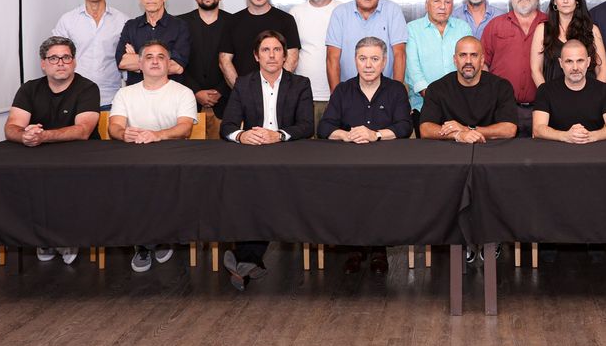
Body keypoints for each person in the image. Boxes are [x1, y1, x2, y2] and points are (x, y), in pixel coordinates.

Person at [218, 30, 314, 290]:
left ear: (285, 56)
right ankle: (249, 262)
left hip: (287, 155)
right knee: (250, 193)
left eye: (277, 50)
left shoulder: (300, 84)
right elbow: (227, 126)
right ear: (256, 56)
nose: (271, 55)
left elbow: (307, 126)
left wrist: (278, 135)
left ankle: (245, 259)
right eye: (265, 50)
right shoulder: (243, 84)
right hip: (253, 155)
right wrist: (242, 135)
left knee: (265, 194)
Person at [318, 37, 413, 274]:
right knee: (348, 194)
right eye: (362, 59)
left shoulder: (396, 90)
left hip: (386, 164)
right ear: (355, 61)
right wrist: (347, 135)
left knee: (383, 195)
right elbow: (325, 127)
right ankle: (355, 249)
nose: (368, 65)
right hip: (349, 164)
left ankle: (380, 250)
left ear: (384, 62)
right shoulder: (343, 90)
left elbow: (404, 126)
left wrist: (375, 135)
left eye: (374, 59)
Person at [420, 36, 518, 264]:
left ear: (482, 60)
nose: (468, 61)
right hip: (452, 156)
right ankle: (459, 238)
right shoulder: (438, 88)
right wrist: (457, 135)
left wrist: (468, 129)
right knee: (448, 181)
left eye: (474, 55)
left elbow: (509, 129)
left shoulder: (500, 86)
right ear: (454, 59)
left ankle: (492, 237)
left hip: (491, 154)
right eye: (463, 55)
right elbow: (425, 128)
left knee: (494, 182)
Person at [4, 36, 101, 265]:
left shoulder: (88, 88)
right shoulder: (29, 88)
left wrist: (43, 136)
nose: (60, 63)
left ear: (74, 61)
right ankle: (44, 238)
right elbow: (11, 127)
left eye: (66, 57)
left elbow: (83, 130)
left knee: (66, 184)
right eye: (54, 58)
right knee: (20, 183)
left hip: (81, 157)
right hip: (39, 157)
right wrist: (25, 136)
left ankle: (67, 237)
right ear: (43, 63)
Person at [108, 40, 198, 273]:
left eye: (161, 57)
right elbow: (114, 127)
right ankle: (146, 243)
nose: (155, 61)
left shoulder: (183, 92)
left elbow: (184, 128)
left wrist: (157, 135)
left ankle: (159, 238)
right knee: (130, 185)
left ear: (169, 63)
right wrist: (123, 133)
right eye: (149, 57)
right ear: (139, 64)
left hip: (173, 160)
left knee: (163, 185)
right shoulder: (125, 93)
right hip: (134, 160)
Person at [482, 0, 548, 137]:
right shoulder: (495, 25)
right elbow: (482, 64)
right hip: (503, 110)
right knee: (503, 153)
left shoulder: (551, 25)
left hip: (543, 109)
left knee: (543, 153)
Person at [52, 0, 127, 109]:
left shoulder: (122, 21)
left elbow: (128, 61)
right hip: (74, 98)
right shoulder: (67, 20)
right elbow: (56, 58)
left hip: (111, 98)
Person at [219, 0, 301, 91]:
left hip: (277, 93)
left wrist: (275, 89)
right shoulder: (232, 21)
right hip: (243, 94)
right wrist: (241, 91)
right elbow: (224, 60)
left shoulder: (286, 20)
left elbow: (292, 59)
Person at [325, 0, 408, 89]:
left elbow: (400, 54)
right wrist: (336, 96)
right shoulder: (340, 13)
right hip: (348, 92)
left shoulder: (393, 11)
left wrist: (396, 94)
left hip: (386, 92)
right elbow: (332, 58)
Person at [405, 0, 472, 129]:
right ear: (426, 4)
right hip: (424, 106)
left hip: (461, 105)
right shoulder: (412, 29)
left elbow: (469, 64)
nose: (442, 7)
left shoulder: (463, 28)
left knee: (463, 143)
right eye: (436, 1)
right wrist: (434, 99)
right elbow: (413, 70)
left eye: (447, 2)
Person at [532, 39, 606, 144]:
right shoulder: (545, 90)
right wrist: (565, 136)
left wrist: (590, 136)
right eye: (569, 61)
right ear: (561, 63)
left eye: (580, 61)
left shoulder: (603, 89)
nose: (575, 67)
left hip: (594, 150)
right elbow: (538, 129)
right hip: (556, 151)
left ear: (588, 62)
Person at [178, 0, 231, 140]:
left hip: (225, 105)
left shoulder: (234, 23)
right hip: (187, 106)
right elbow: (175, 63)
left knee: (226, 154)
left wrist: (220, 91)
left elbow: (238, 62)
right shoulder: (180, 24)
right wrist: (196, 91)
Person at [116, 0, 191, 88]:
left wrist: (138, 60)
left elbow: (177, 67)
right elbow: (122, 62)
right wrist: (163, 60)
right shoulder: (130, 26)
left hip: (170, 94)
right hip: (138, 95)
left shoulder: (180, 26)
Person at [530, 0, 606, 91]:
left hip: (587, 96)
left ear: (577, 1)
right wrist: (547, 96)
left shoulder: (591, 30)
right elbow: (536, 70)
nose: (565, 1)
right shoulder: (542, 30)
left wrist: (596, 95)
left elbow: (602, 69)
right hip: (553, 96)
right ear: (554, 1)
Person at [290, 0, 341, 128]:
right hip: (304, 97)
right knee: (304, 143)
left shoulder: (343, 11)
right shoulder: (295, 13)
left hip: (339, 95)